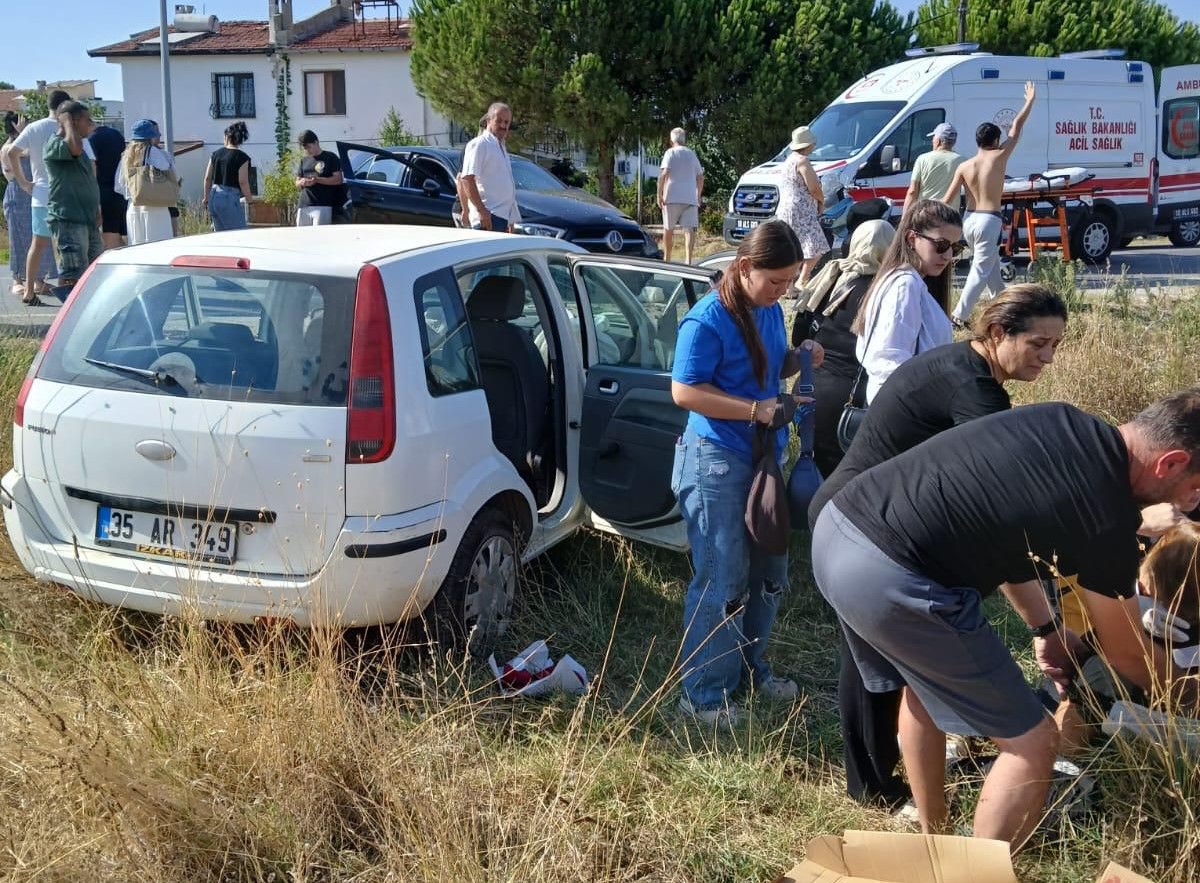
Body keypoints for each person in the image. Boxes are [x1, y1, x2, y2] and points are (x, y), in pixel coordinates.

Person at [812, 388, 1200, 849]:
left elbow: (1007, 538)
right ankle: (973, 875)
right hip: (892, 574)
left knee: (922, 686)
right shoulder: (1107, 513)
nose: (1193, 502)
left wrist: (1047, 629)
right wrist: (1189, 691)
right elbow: (1128, 655)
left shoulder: (1065, 423)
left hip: (839, 531)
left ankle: (933, 843)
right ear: (1171, 462)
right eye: (1195, 487)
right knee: (1033, 744)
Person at [807, 283, 1068, 810]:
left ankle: (882, 780)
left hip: (852, 516)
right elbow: (1001, 501)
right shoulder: (975, 393)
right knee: (878, 664)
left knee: (886, 664)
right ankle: (876, 788)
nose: (1048, 357)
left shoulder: (960, 367)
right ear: (997, 333)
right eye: (1039, 343)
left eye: (1056, 345)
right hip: (863, 526)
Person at [670, 219, 824, 727]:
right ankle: (702, 697)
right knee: (722, 578)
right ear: (744, 267)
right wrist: (753, 410)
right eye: (777, 281)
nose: (785, 291)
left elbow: (767, 367)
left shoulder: (768, 309)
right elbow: (685, 392)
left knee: (769, 573)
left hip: (764, 459)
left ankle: (749, 671)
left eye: (790, 281)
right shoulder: (707, 319)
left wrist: (798, 359)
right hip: (715, 460)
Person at [792, 219, 895, 478]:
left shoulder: (828, 276)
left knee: (809, 474)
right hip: (849, 400)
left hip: (807, 390)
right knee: (843, 482)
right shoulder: (888, 291)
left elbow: (798, 337)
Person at [850, 199, 963, 404]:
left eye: (955, 248)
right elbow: (890, 362)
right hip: (903, 409)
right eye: (941, 245)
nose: (947, 256)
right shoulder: (905, 285)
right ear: (912, 238)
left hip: (903, 405)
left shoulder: (903, 280)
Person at [943, 82, 1037, 325]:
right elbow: (1016, 128)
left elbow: (948, 197)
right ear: (995, 140)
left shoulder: (964, 165)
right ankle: (958, 316)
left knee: (991, 269)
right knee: (980, 270)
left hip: (968, 220)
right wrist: (1029, 102)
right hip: (988, 220)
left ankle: (1004, 305)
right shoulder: (999, 156)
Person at [8, 89, 72, 303]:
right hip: (64, 194)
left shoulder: (34, 128)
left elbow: (11, 152)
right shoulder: (68, 128)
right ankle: (68, 291)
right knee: (67, 244)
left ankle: (29, 289)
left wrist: (24, 182)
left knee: (37, 244)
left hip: (40, 194)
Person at [43, 100, 101, 296]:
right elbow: (74, 148)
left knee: (95, 273)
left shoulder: (80, 145)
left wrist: (96, 208)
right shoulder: (55, 145)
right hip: (68, 222)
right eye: (87, 120)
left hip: (87, 220)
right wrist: (66, 122)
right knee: (73, 278)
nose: (90, 124)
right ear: (74, 121)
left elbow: (88, 178)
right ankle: (68, 324)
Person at [1, 112, 55, 301]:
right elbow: (17, 155)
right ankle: (18, 280)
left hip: (32, 195)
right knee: (18, 239)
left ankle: (37, 280)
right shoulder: (7, 147)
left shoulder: (27, 142)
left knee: (37, 240)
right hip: (17, 195)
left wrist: (27, 134)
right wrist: (26, 133)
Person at [775, 126, 830, 287]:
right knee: (816, 245)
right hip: (801, 209)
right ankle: (802, 280)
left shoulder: (789, 160)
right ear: (808, 144)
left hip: (786, 208)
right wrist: (821, 201)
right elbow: (813, 187)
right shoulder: (802, 161)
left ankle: (789, 283)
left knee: (793, 246)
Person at [459, 102, 520, 232]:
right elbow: (466, 179)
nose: (503, 125)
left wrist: (511, 218)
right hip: (488, 218)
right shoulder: (480, 144)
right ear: (488, 120)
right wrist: (482, 211)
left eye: (506, 122)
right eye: (499, 121)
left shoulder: (501, 148)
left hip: (501, 218)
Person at [117, 119, 175, 245]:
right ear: (150, 137)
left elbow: (119, 185)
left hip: (133, 206)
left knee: (137, 245)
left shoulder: (126, 156)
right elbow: (167, 168)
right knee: (159, 245)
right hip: (155, 205)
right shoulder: (153, 152)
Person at [657, 127, 704, 264]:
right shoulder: (692, 154)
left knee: (668, 229)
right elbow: (700, 177)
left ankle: (667, 259)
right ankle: (688, 260)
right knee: (689, 230)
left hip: (671, 197)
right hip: (690, 198)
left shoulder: (670, 153)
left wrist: (659, 194)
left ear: (672, 140)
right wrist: (698, 195)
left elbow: (664, 175)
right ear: (684, 139)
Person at [202, 121, 256, 231]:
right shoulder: (242, 157)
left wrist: (206, 198)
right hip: (229, 197)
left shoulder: (215, 154)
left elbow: (207, 178)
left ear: (227, 137)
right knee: (238, 234)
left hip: (214, 196)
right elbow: (243, 181)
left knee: (221, 236)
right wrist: (250, 202)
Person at [88, 120, 127, 249]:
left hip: (103, 193)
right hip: (120, 192)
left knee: (110, 242)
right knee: (116, 238)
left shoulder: (92, 140)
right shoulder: (116, 134)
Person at [294, 130, 344, 226]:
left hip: (322, 205)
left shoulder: (331, 157)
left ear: (316, 142)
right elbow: (297, 182)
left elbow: (338, 180)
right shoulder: (304, 160)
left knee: (320, 238)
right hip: (303, 205)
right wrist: (302, 182)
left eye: (309, 147)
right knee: (301, 238)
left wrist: (317, 180)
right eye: (305, 148)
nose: (307, 150)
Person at [906, 122, 962, 207]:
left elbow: (912, 191)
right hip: (950, 215)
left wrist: (905, 217)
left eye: (933, 137)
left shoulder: (922, 159)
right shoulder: (962, 161)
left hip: (925, 213)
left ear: (938, 141)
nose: (932, 140)